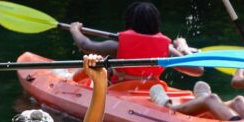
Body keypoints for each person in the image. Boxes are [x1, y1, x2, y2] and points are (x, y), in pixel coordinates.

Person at [69, 1, 202, 82]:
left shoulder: (117, 46)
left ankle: (74, 80)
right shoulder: (167, 50)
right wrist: (184, 47)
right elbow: (198, 70)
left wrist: (74, 29)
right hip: (152, 89)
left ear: (130, 21)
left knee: (99, 62)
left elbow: (85, 45)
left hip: (120, 89)